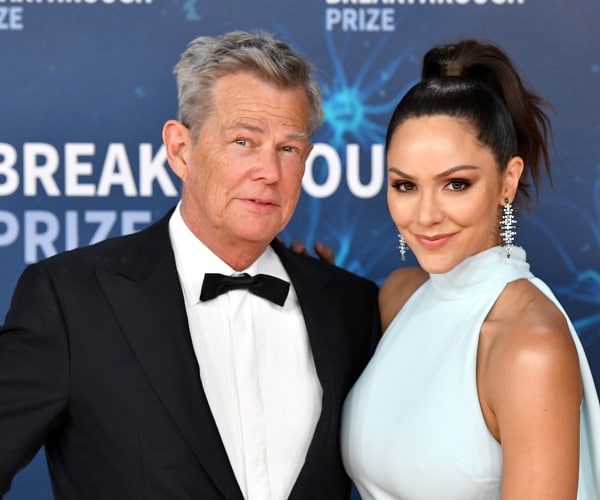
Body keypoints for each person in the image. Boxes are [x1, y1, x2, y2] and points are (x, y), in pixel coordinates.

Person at [0, 31, 381, 499]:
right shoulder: (70, 300)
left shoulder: (351, 307)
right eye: (243, 141)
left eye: (288, 149)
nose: (269, 171)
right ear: (180, 149)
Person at [340, 39, 600, 499]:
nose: (425, 215)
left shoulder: (530, 346)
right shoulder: (399, 296)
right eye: (405, 186)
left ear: (508, 180)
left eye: (456, 184)